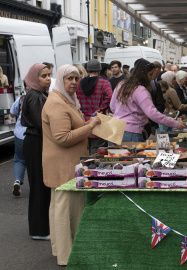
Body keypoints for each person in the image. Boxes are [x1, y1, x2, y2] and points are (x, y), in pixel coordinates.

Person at [42, 64, 102, 266]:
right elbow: (62, 138)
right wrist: (90, 127)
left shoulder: (66, 99)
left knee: (64, 208)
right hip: (63, 164)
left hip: (67, 163)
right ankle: (66, 255)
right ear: (61, 80)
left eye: (77, 78)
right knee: (65, 209)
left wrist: (88, 123)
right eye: (70, 79)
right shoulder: (57, 103)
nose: (74, 82)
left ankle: (63, 250)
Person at [110, 59, 186, 142]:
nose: (151, 78)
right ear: (142, 74)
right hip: (132, 133)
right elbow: (152, 113)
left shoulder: (121, 85)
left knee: (117, 154)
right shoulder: (140, 90)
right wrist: (175, 124)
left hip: (115, 129)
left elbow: (113, 107)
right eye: (150, 74)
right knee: (132, 155)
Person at [21, 63, 51, 240]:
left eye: (48, 75)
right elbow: (42, 123)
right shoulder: (34, 96)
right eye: (43, 76)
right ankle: (39, 230)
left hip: (37, 141)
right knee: (39, 186)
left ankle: (41, 227)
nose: (48, 79)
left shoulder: (39, 94)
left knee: (42, 185)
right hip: (35, 142)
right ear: (34, 78)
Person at [77, 59, 113, 154]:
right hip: (99, 121)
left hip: (83, 122)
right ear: (99, 70)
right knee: (97, 152)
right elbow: (110, 96)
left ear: (87, 70)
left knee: (84, 151)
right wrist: (101, 109)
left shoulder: (79, 83)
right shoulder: (104, 83)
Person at [10, 93, 27, 196]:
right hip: (35, 136)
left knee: (19, 160)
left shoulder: (21, 98)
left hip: (20, 135)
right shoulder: (42, 96)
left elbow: (12, 113)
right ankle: (37, 186)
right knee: (35, 161)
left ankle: (17, 181)